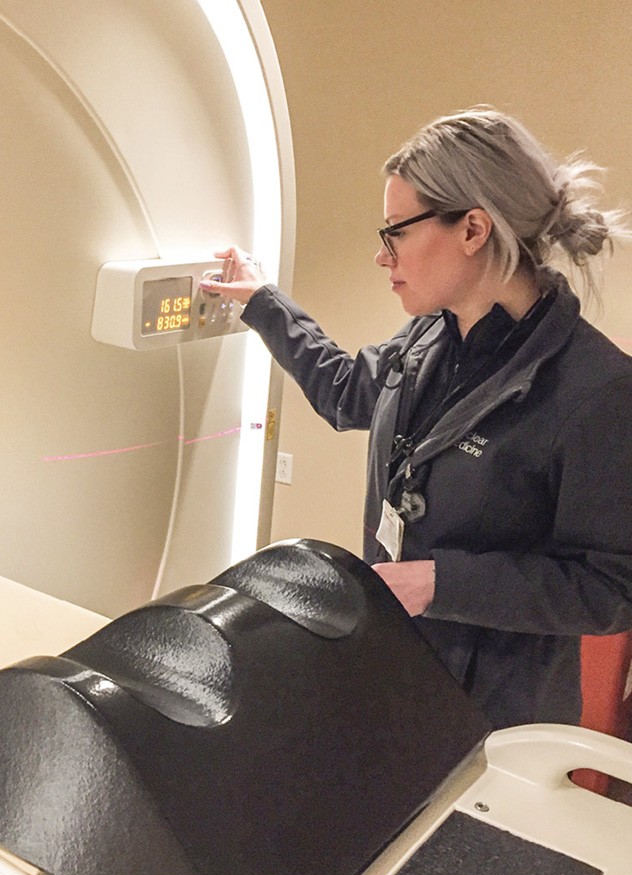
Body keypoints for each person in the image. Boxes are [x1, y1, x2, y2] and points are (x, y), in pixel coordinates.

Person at [200, 108, 632, 729]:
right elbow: (348, 392)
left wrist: (442, 583)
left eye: (395, 231)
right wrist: (264, 304)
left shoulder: (597, 391)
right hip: (393, 665)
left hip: (495, 715)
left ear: (473, 229)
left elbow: (612, 587)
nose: (383, 257)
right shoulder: (430, 336)